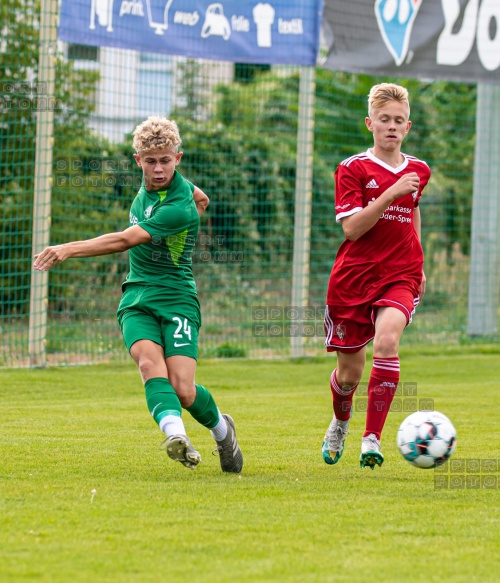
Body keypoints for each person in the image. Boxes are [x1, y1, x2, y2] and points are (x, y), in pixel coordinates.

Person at [34, 116, 243, 473]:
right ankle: (177, 438)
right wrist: (199, 212)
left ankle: (224, 433)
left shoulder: (176, 207)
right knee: (149, 366)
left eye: (165, 160)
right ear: (138, 161)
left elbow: (124, 240)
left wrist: (67, 248)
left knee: (184, 389)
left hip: (177, 298)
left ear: (178, 157)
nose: (159, 169)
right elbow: (202, 197)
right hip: (136, 299)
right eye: (151, 161)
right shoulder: (170, 190)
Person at [321, 83, 431, 470]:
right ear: (370, 123)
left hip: (399, 274)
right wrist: (389, 193)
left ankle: (372, 439)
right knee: (348, 375)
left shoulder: (419, 170)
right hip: (353, 280)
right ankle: (341, 420)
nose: (392, 127)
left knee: (387, 343)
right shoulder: (353, 169)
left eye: (399, 121)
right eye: (384, 120)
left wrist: (421, 264)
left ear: (408, 126)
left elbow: (413, 211)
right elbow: (351, 229)